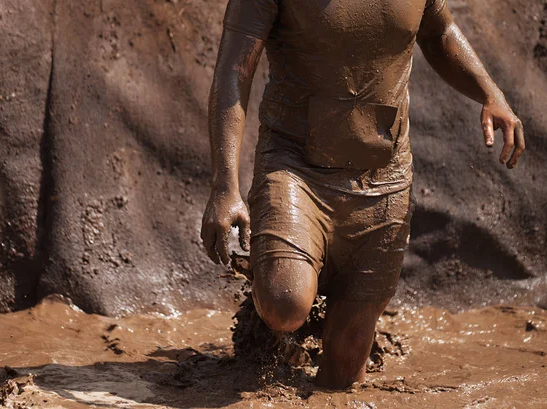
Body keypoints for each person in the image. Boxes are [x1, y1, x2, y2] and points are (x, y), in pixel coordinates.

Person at [201, 0, 525, 389]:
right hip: (296, 167)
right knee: (285, 302)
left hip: (385, 178)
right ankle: (270, 298)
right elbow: (233, 74)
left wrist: (491, 92)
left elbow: (440, 32)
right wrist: (225, 186)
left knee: (344, 375)